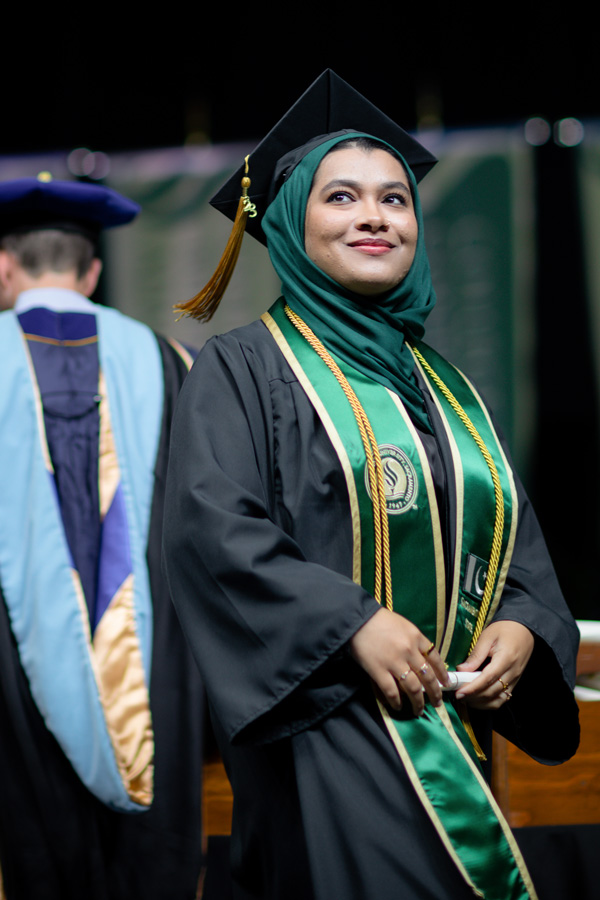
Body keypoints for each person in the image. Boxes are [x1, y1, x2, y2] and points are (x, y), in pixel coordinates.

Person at [162, 71, 580, 900]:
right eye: (342, 198)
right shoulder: (244, 369)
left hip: (450, 729)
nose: (373, 217)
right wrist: (352, 624)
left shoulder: (446, 390)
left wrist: (525, 627)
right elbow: (213, 532)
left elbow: (513, 545)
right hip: (322, 723)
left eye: (394, 200)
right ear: (289, 221)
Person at [0, 176, 203, 900]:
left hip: (12, 698)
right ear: (91, 271)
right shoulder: (170, 361)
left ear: (3, 266)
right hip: (157, 684)